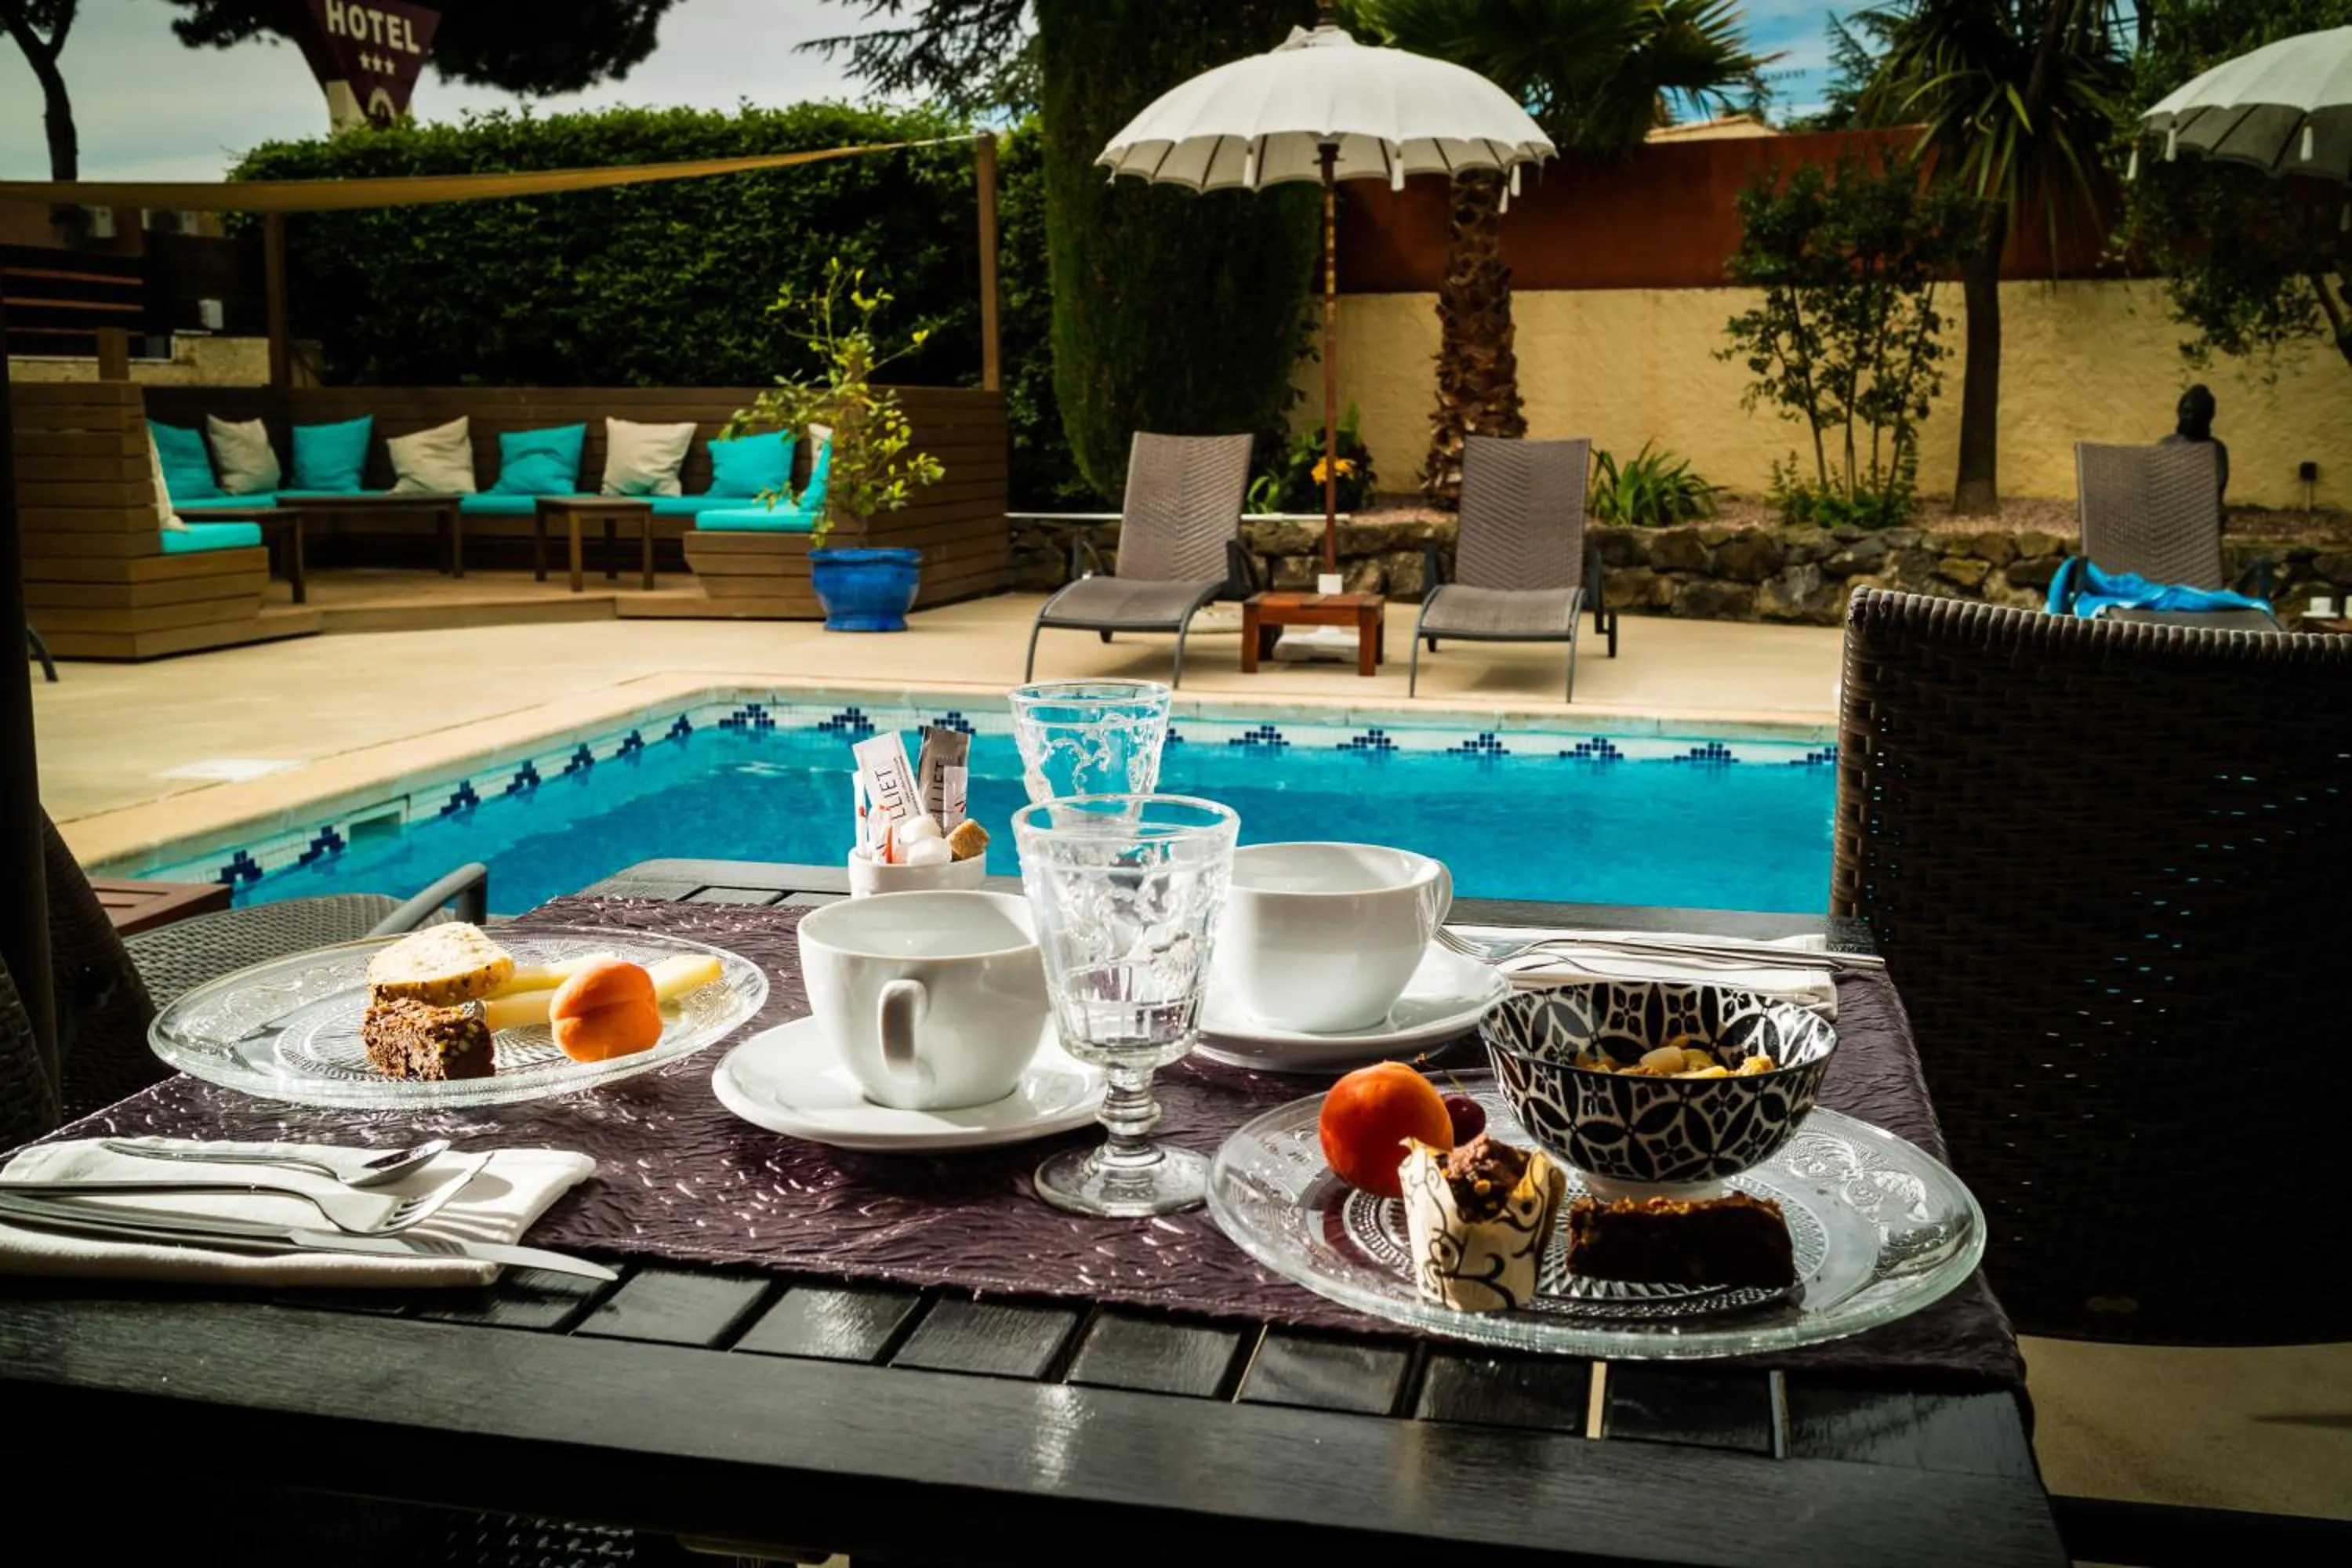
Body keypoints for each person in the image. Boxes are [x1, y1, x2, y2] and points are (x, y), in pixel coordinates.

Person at [2159, 383, 2229, 505]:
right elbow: (2158, 483)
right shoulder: (2167, 445)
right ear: (2179, 412)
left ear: (2208, 416)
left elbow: (2214, 487)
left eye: (2198, 413)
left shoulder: (2215, 449)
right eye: (2187, 412)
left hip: (2201, 510)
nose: (2191, 418)